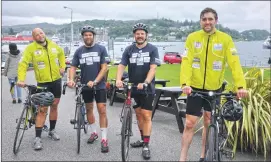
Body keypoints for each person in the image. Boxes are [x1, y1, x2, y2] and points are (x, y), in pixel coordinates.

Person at [179, 7, 248, 161]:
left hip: (215, 89)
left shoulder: (225, 39)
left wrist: (240, 87)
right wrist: (185, 83)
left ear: (216, 21)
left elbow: (234, 63)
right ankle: (182, 157)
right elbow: (186, 62)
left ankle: (204, 155)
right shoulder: (192, 37)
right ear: (200, 21)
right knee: (190, 124)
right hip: (194, 88)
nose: (207, 22)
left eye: (210, 19)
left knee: (209, 121)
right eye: (204, 19)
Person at [116, 23, 161, 160]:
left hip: (147, 88)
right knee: (139, 115)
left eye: (142, 33)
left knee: (146, 116)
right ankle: (143, 139)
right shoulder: (129, 49)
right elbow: (122, 65)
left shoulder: (153, 49)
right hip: (133, 88)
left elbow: (153, 68)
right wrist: (118, 79)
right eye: (137, 33)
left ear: (146, 35)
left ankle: (146, 145)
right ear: (134, 35)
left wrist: (146, 82)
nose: (139, 35)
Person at [17, 28, 66, 150]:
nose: (40, 35)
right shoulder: (30, 49)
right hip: (43, 83)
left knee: (54, 106)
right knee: (43, 109)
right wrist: (21, 79)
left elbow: (61, 55)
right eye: (36, 34)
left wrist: (62, 67)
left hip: (56, 81)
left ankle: (52, 130)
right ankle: (37, 137)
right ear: (33, 38)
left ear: (44, 33)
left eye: (41, 33)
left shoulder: (54, 45)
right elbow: (23, 64)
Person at [67, 25, 110, 153]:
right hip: (85, 85)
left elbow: (104, 68)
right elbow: (73, 67)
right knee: (89, 109)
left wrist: (96, 81)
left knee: (102, 110)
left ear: (93, 36)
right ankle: (94, 132)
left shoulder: (101, 49)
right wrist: (70, 79)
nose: (88, 37)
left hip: (99, 85)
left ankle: (104, 139)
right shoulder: (79, 51)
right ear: (83, 37)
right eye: (85, 35)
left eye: (90, 35)